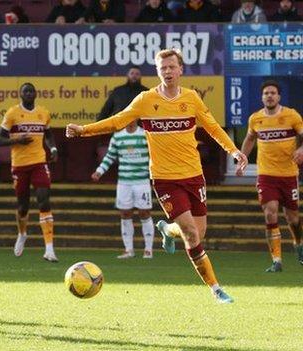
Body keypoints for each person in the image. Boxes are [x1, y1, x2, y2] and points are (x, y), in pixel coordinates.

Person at [66, 49, 248, 303]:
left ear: (181, 70)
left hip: (193, 176)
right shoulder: (145, 100)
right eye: (162, 68)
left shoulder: (192, 99)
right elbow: (116, 121)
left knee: (198, 232)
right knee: (192, 235)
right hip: (164, 178)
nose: (167, 71)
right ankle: (216, 289)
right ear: (158, 71)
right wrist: (83, 130)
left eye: (172, 67)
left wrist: (234, 151)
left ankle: (167, 229)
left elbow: (213, 127)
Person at [237, 80, 303, 272]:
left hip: (289, 175)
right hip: (266, 175)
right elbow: (249, 139)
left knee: (293, 219)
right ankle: (277, 261)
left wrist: (301, 149)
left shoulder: (291, 116)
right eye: (266, 93)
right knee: (270, 212)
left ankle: (298, 244)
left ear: (279, 96)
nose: (269, 96)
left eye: (273, 93)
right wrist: (242, 159)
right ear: (262, 97)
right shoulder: (255, 119)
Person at [0, 83, 59, 262]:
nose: (29, 94)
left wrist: (53, 148)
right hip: (19, 165)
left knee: (44, 199)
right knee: (23, 206)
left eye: (31, 91)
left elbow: (48, 135)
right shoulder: (12, 113)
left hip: (39, 162)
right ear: (21, 95)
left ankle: (49, 249)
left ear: (36, 94)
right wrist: (17, 139)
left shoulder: (43, 113)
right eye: (26, 91)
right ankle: (22, 233)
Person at [92, 120, 153, 259]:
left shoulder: (145, 135)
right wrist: (99, 171)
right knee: (125, 214)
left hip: (142, 181)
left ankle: (148, 250)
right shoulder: (118, 136)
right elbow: (110, 156)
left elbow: (154, 155)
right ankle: (128, 250)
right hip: (124, 182)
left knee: (144, 213)